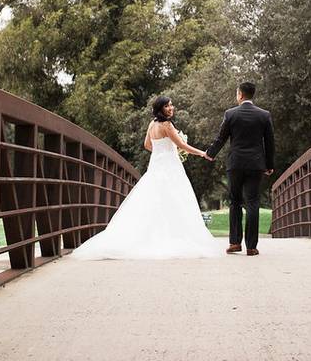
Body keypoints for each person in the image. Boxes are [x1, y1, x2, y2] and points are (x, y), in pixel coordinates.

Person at [70, 96, 222, 260]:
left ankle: (149, 236)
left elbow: (147, 145)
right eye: (167, 106)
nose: (171, 108)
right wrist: (201, 153)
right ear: (160, 109)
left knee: (154, 200)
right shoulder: (167, 125)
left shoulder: (152, 124)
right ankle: (170, 236)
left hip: (156, 166)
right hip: (170, 167)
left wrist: (161, 151)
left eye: (171, 105)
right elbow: (182, 145)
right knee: (175, 199)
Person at [204, 81, 275, 256]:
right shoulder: (264, 115)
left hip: (235, 164)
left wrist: (210, 153)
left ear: (240, 95)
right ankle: (251, 246)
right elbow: (270, 142)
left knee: (235, 202)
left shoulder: (230, 114)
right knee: (252, 203)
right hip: (256, 165)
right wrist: (269, 165)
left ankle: (235, 243)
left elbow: (221, 138)